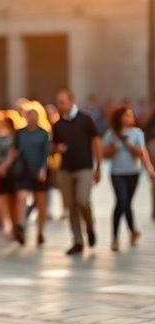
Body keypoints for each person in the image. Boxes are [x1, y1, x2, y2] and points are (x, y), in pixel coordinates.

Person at [52, 88, 102, 256]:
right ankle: (78, 241)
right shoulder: (57, 125)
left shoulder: (86, 120)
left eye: (63, 102)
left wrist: (99, 166)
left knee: (82, 200)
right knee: (71, 206)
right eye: (58, 102)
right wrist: (57, 148)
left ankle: (90, 225)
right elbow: (53, 147)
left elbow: (96, 142)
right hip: (65, 169)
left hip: (85, 167)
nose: (60, 105)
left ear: (72, 100)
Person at [103, 104, 155, 251]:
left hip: (133, 172)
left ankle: (132, 232)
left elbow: (142, 153)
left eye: (131, 115)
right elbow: (105, 154)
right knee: (121, 201)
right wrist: (113, 147)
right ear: (119, 118)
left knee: (126, 204)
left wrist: (150, 169)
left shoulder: (137, 133)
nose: (130, 118)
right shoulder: (111, 134)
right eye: (126, 115)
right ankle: (115, 237)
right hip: (117, 173)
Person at [4, 106, 50, 246]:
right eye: (29, 115)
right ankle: (20, 226)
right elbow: (14, 151)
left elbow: (45, 153)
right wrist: (8, 164)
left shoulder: (43, 133)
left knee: (41, 203)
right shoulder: (20, 133)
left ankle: (40, 231)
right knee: (21, 197)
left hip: (38, 171)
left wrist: (43, 168)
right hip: (23, 171)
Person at [0, 115, 17, 238]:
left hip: (11, 172)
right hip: (0, 171)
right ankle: (4, 224)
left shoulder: (16, 138)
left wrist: (4, 167)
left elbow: (13, 154)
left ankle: (14, 227)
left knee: (13, 200)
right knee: (1, 199)